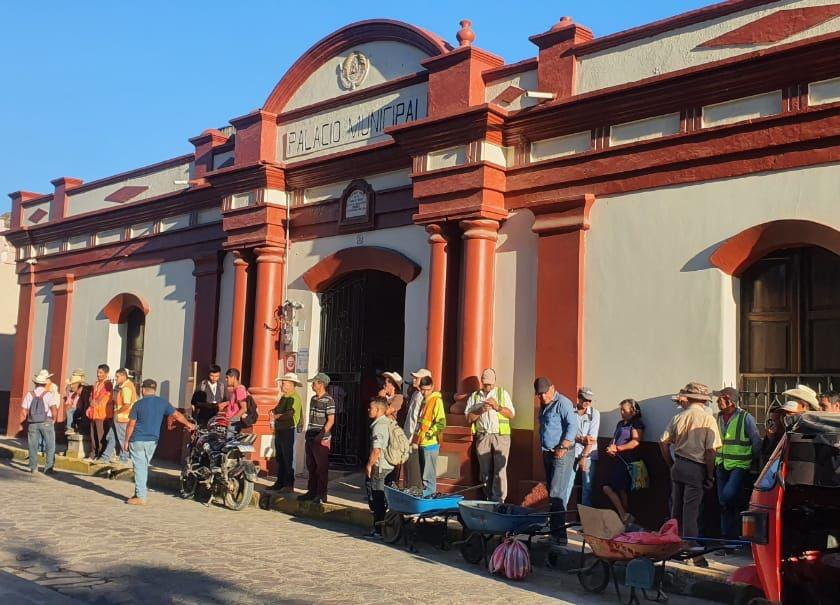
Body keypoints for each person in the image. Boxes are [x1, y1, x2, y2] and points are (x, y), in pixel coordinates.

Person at [660, 382, 722, 566]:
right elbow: (711, 452)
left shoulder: (678, 417)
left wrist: (671, 464)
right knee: (691, 511)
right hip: (696, 467)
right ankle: (692, 551)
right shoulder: (707, 419)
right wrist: (710, 475)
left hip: (679, 465)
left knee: (676, 508)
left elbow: (663, 443)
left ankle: (673, 545)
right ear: (704, 400)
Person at [124, 378, 194, 505]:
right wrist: (189, 424)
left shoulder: (138, 404)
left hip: (138, 439)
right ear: (154, 390)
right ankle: (139, 492)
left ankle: (140, 496)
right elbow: (177, 415)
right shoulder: (163, 403)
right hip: (153, 441)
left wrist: (126, 440)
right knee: (143, 466)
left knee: (139, 467)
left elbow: (131, 425)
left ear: (143, 390)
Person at [713, 387, 761, 541]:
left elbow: (756, 441)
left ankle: (736, 533)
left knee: (727, 497)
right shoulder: (718, 417)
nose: (717, 401)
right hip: (721, 463)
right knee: (724, 503)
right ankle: (728, 539)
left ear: (729, 401)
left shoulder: (746, 417)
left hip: (739, 465)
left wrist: (753, 461)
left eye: (720, 399)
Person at [535, 376, 579, 547]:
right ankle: (554, 531)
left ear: (552, 388)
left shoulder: (563, 403)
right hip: (548, 452)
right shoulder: (544, 405)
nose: (543, 397)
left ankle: (559, 536)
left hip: (562, 453)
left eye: (545, 393)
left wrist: (563, 447)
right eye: (539, 395)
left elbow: (572, 426)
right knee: (552, 491)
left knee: (557, 493)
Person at [465, 368, 515, 502]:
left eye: (491, 384)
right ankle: (488, 497)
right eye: (486, 384)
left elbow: (511, 414)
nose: (488, 387)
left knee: (500, 470)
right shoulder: (475, 397)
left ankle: (498, 500)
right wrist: (480, 410)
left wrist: (497, 407)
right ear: (482, 382)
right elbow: (468, 418)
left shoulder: (502, 394)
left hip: (501, 436)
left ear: (494, 382)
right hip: (483, 436)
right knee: (485, 470)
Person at [602, 398, 644, 524]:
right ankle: (623, 515)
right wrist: (610, 448)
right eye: (620, 409)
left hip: (627, 461)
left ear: (632, 411)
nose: (621, 412)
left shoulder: (636, 424)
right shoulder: (620, 424)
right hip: (616, 460)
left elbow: (636, 442)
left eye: (624, 410)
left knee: (622, 489)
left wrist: (619, 448)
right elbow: (614, 439)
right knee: (608, 487)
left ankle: (624, 517)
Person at [299, 372, 335, 504]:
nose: (312, 384)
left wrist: (321, 434)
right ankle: (311, 491)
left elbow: (331, 420)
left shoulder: (329, 400)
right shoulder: (313, 399)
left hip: (321, 437)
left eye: (314, 382)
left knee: (321, 467)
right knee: (311, 465)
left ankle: (321, 494)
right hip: (310, 435)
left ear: (321, 384)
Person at [411, 376, 446, 495]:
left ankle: (429, 502)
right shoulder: (424, 401)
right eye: (422, 390)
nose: (424, 392)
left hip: (430, 444)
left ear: (432, 388)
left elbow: (441, 423)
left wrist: (429, 433)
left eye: (427, 390)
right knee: (423, 475)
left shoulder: (436, 401)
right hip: (422, 443)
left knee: (428, 477)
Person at [21, 369, 60, 475]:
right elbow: (54, 408)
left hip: (33, 423)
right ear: (45, 383)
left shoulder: (30, 394)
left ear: (35, 383)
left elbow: (24, 410)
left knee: (32, 445)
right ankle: (48, 467)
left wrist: (30, 418)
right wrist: (54, 419)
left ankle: (33, 467)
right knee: (50, 445)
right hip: (46, 421)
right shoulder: (48, 394)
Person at [364, 396, 393, 539]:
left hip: (380, 467)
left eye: (371, 408)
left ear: (378, 409)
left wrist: (369, 465)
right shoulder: (388, 422)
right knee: (381, 498)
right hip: (389, 466)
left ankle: (378, 530)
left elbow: (377, 450)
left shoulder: (379, 426)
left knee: (377, 498)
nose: (369, 410)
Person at [270, 372, 303, 493]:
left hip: (289, 430)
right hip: (281, 430)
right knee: (281, 457)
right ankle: (280, 483)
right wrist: (272, 412)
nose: (282, 385)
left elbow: (290, 414)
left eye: (284, 383)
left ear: (290, 384)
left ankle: (289, 484)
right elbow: (277, 410)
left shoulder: (294, 398)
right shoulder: (284, 397)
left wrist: (276, 416)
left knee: (288, 458)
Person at [567, 387, 600, 508]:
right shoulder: (570, 412)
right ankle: (562, 514)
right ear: (579, 397)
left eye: (590, 401)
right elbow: (567, 433)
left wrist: (584, 456)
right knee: (567, 484)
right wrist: (580, 439)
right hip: (571, 452)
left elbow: (592, 438)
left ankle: (585, 518)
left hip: (589, 454)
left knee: (588, 487)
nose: (587, 403)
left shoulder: (594, 414)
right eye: (585, 399)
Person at [100, 368, 138, 464]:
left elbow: (127, 404)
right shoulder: (126, 386)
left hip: (122, 418)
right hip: (119, 418)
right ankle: (105, 457)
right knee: (111, 437)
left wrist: (117, 412)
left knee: (122, 439)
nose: (116, 379)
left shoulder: (126, 388)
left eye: (117, 377)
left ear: (124, 376)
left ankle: (123, 458)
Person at [402, 369, 430, 489]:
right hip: (408, 437)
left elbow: (421, 420)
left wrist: (415, 439)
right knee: (409, 469)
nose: (414, 380)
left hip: (415, 439)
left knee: (415, 471)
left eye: (417, 378)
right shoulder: (415, 394)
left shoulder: (425, 398)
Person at [380, 371, 404, 485]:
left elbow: (387, 411)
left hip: (391, 434)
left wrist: (382, 399)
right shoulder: (384, 397)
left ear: (393, 385)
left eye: (386, 383)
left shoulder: (398, 398)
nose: (384, 386)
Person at [88, 364, 113, 461]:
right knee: (93, 435)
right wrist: (91, 401)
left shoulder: (108, 384)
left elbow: (102, 395)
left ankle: (100, 454)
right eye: (97, 372)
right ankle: (93, 454)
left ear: (106, 374)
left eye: (100, 372)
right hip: (94, 413)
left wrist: (95, 402)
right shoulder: (96, 383)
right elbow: (92, 395)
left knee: (100, 436)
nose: (98, 374)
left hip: (102, 414)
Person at [221, 368, 247, 437]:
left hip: (234, 424)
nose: (226, 380)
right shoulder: (235, 389)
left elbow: (244, 408)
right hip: (231, 422)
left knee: (229, 445)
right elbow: (235, 404)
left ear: (234, 377)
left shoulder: (240, 389)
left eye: (227, 377)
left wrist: (232, 420)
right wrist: (226, 403)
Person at [63, 369, 87, 435]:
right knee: (69, 411)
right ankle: (70, 428)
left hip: (81, 410)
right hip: (76, 409)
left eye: (73, 384)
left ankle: (70, 428)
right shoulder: (73, 393)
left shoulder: (84, 391)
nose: (71, 386)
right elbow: (68, 402)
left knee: (69, 411)